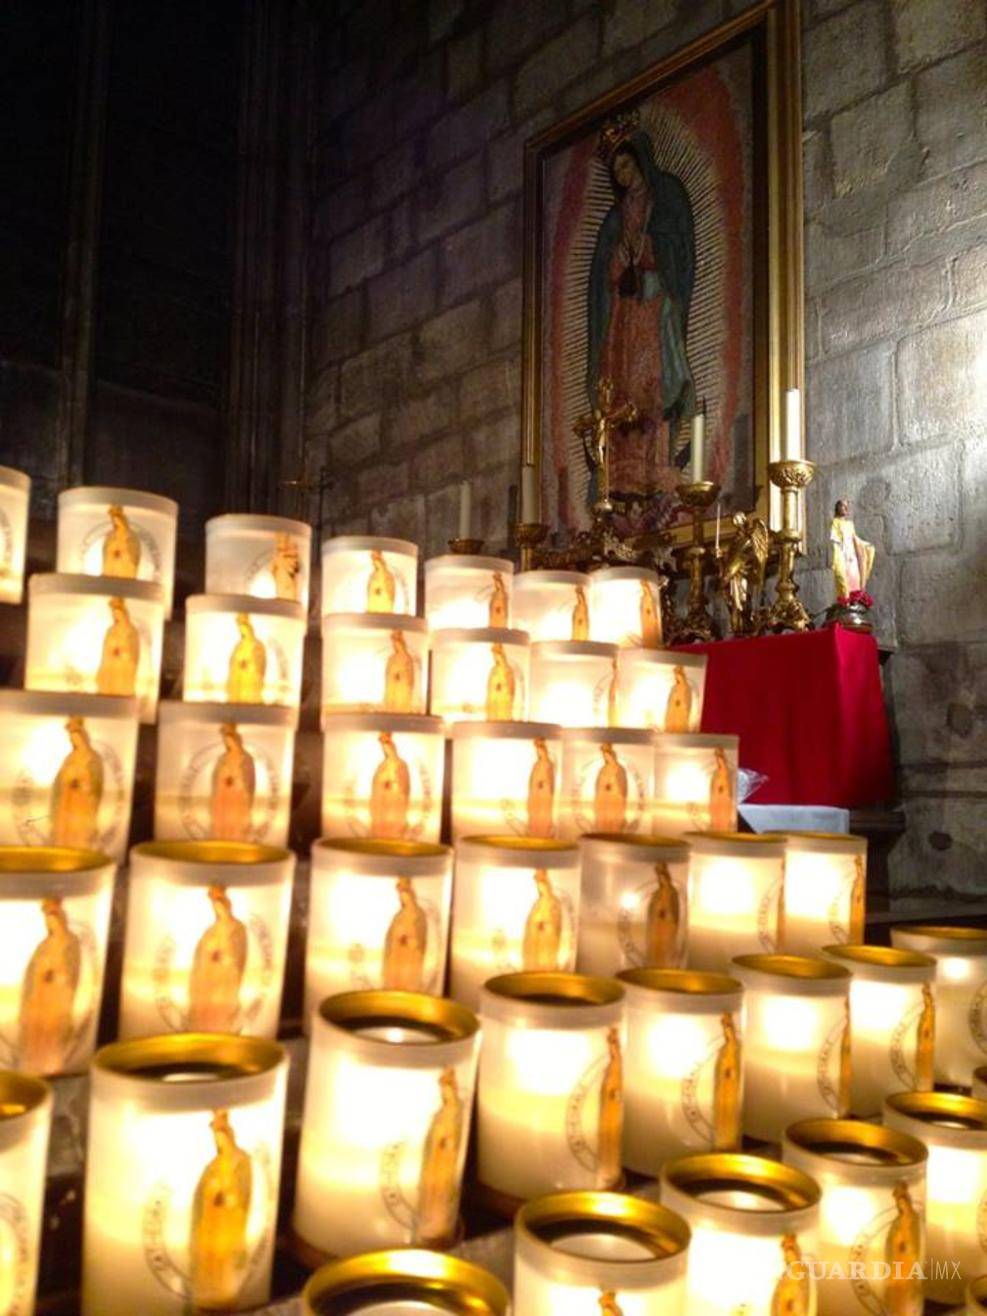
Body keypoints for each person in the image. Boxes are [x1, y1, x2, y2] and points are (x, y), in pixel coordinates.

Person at [587, 120, 696, 500]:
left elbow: (676, 252)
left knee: (652, 385)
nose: (624, 175)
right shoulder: (615, 220)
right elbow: (605, 274)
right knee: (623, 391)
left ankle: (656, 465)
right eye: (617, 171)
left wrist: (648, 248)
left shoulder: (663, 200)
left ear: (640, 163)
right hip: (623, 317)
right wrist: (618, 260)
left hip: (653, 308)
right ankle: (621, 473)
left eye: (627, 166)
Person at [830, 499, 875, 601]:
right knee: (843, 577)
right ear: (838, 508)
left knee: (855, 577)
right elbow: (835, 540)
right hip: (842, 554)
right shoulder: (835, 522)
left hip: (851, 555)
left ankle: (855, 598)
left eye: (847, 506)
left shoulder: (850, 524)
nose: (846, 508)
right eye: (843, 506)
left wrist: (866, 546)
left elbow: (855, 539)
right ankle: (846, 598)